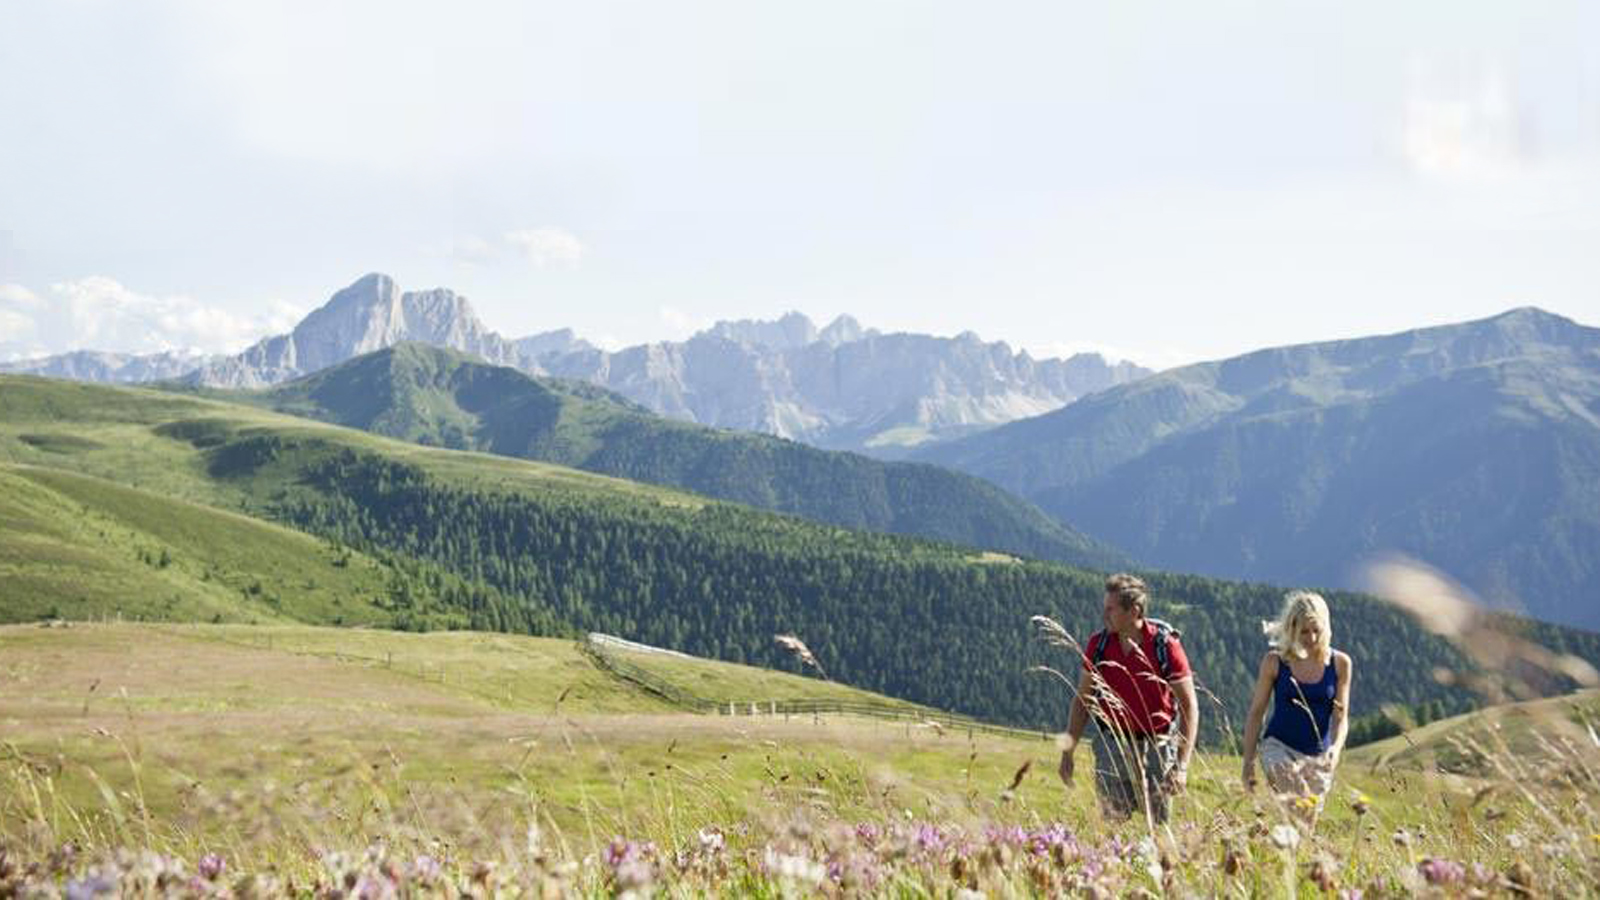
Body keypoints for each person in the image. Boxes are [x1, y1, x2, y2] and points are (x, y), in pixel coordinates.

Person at [1057, 573, 1200, 824]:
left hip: (1157, 747)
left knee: (1158, 832)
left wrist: (1182, 766)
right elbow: (1082, 702)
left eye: (1111, 609)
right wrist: (1068, 752)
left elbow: (1189, 707)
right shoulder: (1098, 645)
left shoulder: (1165, 647)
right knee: (1112, 829)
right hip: (1112, 745)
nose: (1105, 615)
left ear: (1134, 611)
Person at [1239, 590, 1352, 819]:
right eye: (1303, 632)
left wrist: (1335, 749)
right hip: (1278, 747)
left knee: (1304, 824)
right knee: (1299, 799)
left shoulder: (1340, 664)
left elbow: (1341, 717)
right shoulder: (1275, 662)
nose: (1310, 638)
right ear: (1291, 630)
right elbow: (1256, 713)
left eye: (1316, 631)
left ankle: (1277, 850)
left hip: (1319, 757)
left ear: (1325, 629)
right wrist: (1248, 762)